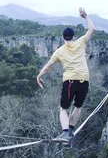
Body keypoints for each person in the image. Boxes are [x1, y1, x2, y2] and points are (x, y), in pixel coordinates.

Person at [36, 7, 95, 145]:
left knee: (63, 109)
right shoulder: (81, 42)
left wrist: (39, 76)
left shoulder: (59, 51)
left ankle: (65, 133)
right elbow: (92, 29)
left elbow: (48, 66)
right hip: (84, 80)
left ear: (63, 38)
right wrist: (85, 17)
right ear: (73, 37)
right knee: (78, 107)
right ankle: (71, 129)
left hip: (69, 82)